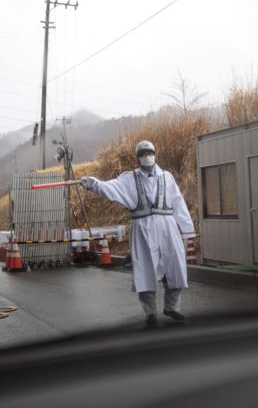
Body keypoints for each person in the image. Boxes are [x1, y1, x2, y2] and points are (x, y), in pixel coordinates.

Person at [81, 140, 195, 327]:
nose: (146, 156)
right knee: (145, 271)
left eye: (149, 152)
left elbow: (178, 202)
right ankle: (150, 314)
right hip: (142, 228)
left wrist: (187, 228)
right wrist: (93, 184)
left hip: (168, 226)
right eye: (142, 153)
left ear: (155, 153)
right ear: (137, 157)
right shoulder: (128, 178)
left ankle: (171, 307)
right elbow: (110, 188)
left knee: (176, 267)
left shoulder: (167, 177)